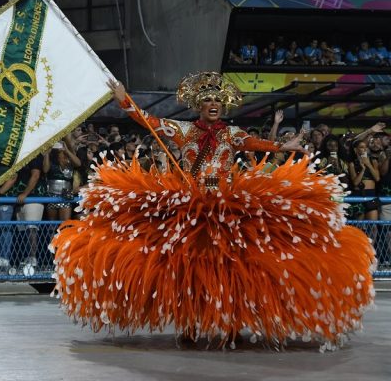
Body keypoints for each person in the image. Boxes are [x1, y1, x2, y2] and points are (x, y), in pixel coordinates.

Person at [51, 73, 375, 350]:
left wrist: (282, 147)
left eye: (218, 100)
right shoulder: (183, 131)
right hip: (191, 210)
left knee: (232, 268)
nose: (213, 104)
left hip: (225, 209)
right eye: (207, 100)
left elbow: (255, 144)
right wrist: (124, 99)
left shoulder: (232, 134)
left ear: (224, 106)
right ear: (199, 106)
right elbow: (148, 122)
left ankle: (231, 324)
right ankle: (190, 325)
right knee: (186, 269)